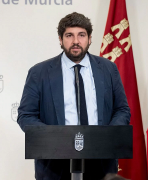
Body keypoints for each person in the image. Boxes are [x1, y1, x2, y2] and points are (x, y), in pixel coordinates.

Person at [17, 12, 131, 180]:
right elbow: (26, 116)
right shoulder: (39, 73)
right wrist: (54, 139)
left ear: (90, 38)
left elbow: (122, 110)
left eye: (81, 35)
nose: (76, 41)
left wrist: (107, 136)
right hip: (54, 166)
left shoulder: (108, 69)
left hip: (101, 163)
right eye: (69, 35)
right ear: (60, 39)